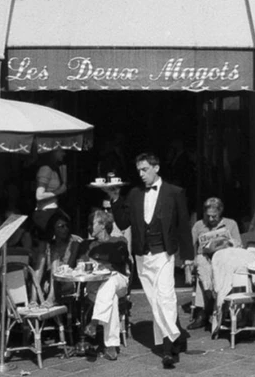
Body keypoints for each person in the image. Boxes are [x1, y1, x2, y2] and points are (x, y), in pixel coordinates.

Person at [104, 152, 192, 369]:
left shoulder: (174, 192)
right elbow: (124, 223)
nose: (141, 174)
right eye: (139, 171)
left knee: (166, 296)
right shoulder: (134, 194)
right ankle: (175, 336)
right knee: (154, 301)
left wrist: (188, 258)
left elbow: (182, 226)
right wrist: (115, 198)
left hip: (164, 253)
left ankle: (169, 350)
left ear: (156, 167)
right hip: (143, 255)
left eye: (145, 169)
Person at [82, 209, 130, 361]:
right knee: (111, 298)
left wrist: (100, 263)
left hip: (119, 281)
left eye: (93, 223)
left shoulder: (119, 241)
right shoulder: (88, 245)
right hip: (96, 286)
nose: (90, 227)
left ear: (103, 225)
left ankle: (94, 322)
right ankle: (111, 346)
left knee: (110, 280)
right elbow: (82, 265)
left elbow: (121, 259)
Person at [188, 197, 241, 330]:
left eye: (214, 216)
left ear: (220, 212)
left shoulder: (231, 224)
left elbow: (239, 245)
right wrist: (190, 260)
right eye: (208, 216)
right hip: (206, 260)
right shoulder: (199, 225)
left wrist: (227, 243)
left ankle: (203, 310)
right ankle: (209, 291)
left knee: (207, 270)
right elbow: (189, 246)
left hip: (225, 260)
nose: (211, 219)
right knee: (201, 261)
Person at [33, 148, 69, 237]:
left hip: (52, 211)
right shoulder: (45, 169)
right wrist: (59, 191)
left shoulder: (54, 169)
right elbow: (39, 195)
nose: (64, 154)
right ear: (53, 152)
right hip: (45, 213)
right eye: (61, 151)